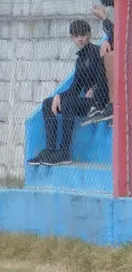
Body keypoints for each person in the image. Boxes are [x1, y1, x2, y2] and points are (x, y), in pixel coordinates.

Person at [28, 20, 109, 167]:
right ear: (72, 38)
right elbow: (75, 88)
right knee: (48, 102)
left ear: (89, 35)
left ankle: (64, 152)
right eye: (76, 36)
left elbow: (106, 79)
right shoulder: (80, 60)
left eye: (83, 35)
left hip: (99, 102)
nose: (80, 39)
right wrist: (58, 96)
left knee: (69, 102)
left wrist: (94, 88)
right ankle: (50, 149)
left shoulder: (96, 52)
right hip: (86, 102)